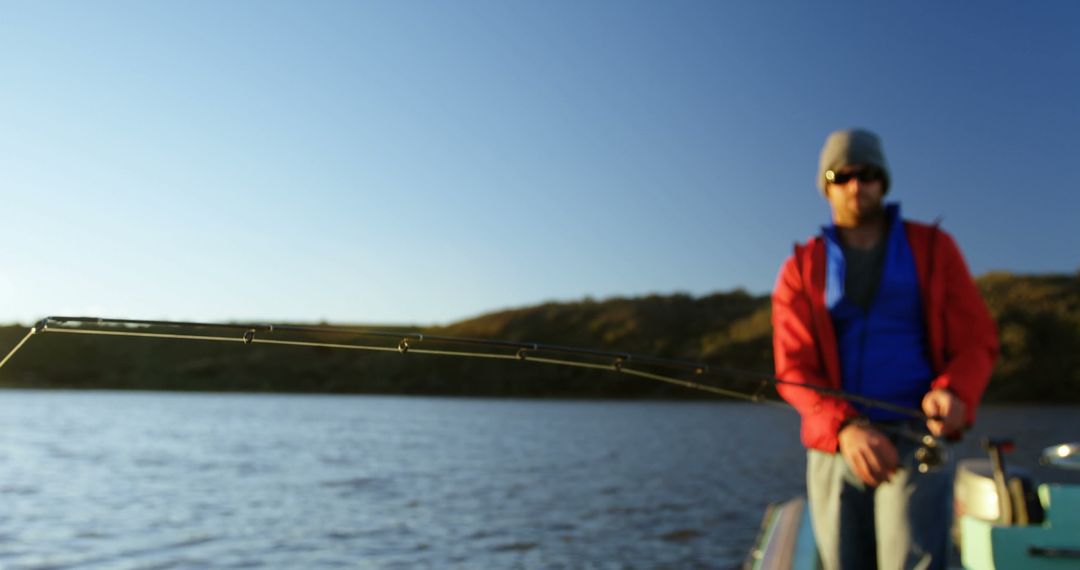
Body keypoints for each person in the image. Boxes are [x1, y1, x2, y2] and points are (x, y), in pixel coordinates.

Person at [771, 128, 999, 569]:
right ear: (826, 186)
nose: (857, 185)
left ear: (884, 181)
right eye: (843, 175)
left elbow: (977, 340)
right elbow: (793, 367)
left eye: (869, 174)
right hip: (836, 442)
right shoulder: (801, 267)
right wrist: (845, 427)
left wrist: (953, 391)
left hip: (917, 437)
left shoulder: (934, 248)